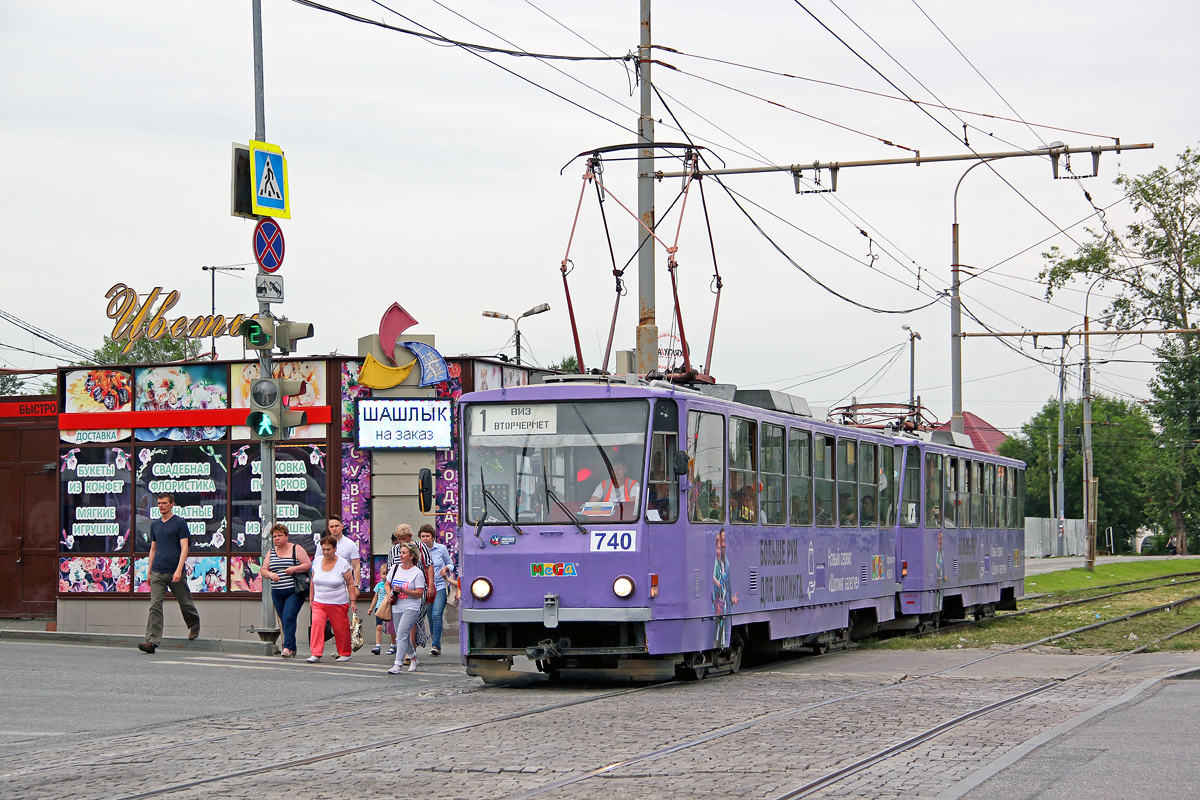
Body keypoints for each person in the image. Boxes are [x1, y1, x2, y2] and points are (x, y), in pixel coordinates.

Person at [139, 493, 200, 654]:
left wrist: (179, 569)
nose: (161, 506)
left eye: (164, 503)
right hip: (158, 571)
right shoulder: (155, 525)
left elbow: (184, 548)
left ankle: (194, 625)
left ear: (172, 504)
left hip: (175, 571)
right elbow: (153, 549)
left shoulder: (179, 523)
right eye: (159, 503)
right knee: (155, 606)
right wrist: (149, 571)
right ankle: (151, 641)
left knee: (185, 603)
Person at [260, 522, 311, 659]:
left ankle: (287, 647)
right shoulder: (271, 552)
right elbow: (263, 570)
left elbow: (307, 565)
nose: (277, 538)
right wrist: (271, 574)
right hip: (277, 591)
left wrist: (294, 569)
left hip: (294, 591)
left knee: (289, 616)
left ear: (287, 536)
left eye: (280, 535)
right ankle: (292, 648)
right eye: (275, 536)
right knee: (284, 619)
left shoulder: (296, 548)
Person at [306, 535, 355, 663]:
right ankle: (316, 653)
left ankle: (345, 653)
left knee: (340, 628)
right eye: (324, 549)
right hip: (319, 601)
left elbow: (350, 583)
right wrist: (311, 600)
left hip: (337, 602)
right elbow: (312, 582)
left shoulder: (342, 563)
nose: (326, 552)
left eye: (329, 549)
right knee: (317, 625)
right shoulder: (317, 561)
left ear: (335, 549)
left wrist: (353, 601)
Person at [389, 524, 434, 664]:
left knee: (413, 620)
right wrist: (389, 592)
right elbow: (390, 571)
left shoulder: (420, 547)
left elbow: (429, 566)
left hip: (417, 588)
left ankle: (410, 651)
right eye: (399, 539)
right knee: (404, 623)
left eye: (404, 538)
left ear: (410, 536)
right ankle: (409, 653)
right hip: (398, 591)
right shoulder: (394, 550)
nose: (402, 542)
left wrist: (431, 586)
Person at [386, 542, 427, 674]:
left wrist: (403, 590)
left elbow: (419, 593)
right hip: (397, 606)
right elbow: (387, 584)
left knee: (401, 634)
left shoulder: (417, 573)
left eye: (404, 553)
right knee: (402, 635)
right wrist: (389, 594)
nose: (401, 555)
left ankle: (398, 664)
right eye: (400, 552)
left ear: (412, 556)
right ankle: (414, 658)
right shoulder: (395, 568)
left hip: (411, 606)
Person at [419, 524, 454, 657]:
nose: (425, 539)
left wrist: (446, 568)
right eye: (423, 536)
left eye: (427, 536)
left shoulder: (441, 548)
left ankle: (435, 645)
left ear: (433, 537)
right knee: (430, 616)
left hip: (439, 585)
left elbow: (451, 563)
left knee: (436, 614)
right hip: (425, 586)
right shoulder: (419, 550)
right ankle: (436, 642)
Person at [326, 515, 361, 601]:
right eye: (332, 527)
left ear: (342, 526)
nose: (334, 528)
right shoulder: (323, 544)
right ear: (328, 528)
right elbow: (317, 564)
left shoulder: (350, 544)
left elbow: (356, 566)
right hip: (326, 585)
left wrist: (356, 585)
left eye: (337, 526)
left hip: (344, 585)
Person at [367, 565, 393, 656]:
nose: (385, 576)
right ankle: (378, 646)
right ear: (380, 574)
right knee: (379, 627)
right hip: (379, 607)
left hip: (388, 607)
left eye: (387, 574)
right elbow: (375, 597)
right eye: (383, 573)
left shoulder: (391, 585)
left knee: (391, 628)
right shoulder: (378, 585)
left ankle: (393, 645)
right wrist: (371, 608)